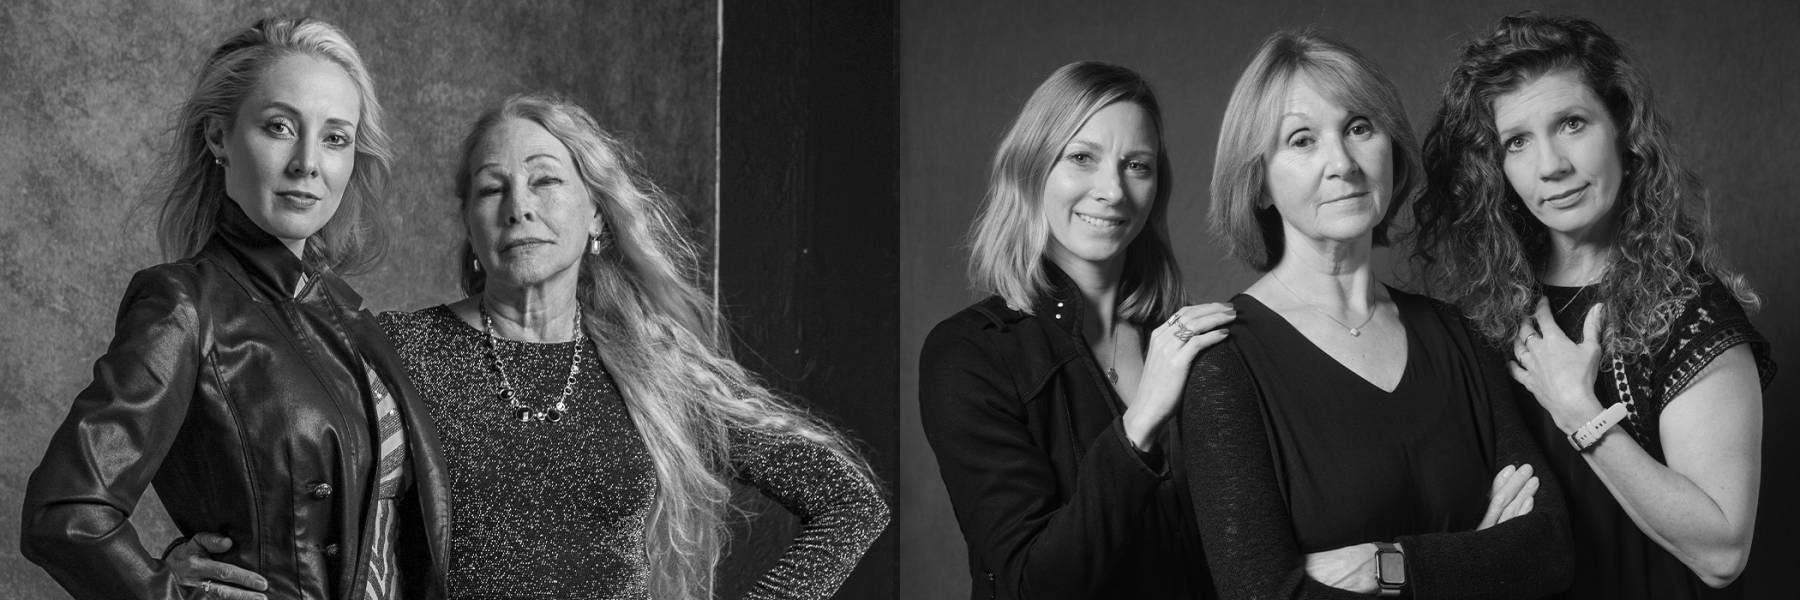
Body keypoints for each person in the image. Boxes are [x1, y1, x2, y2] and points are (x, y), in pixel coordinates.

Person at [371, 93, 887, 599]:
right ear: (469, 222)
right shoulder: (402, 348)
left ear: (596, 214)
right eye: (491, 190)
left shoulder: (649, 362)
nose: (518, 208)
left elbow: (850, 503)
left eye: (545, 180)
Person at [19, 17, 449, 600]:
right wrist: (168, 593)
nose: (308, 163)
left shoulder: (354, 321)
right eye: (279, 127)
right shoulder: (183, 305)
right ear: (219, 138)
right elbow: (65, 511)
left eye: (335, 137)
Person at [1180, 30, 1574, 598]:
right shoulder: (1225, 365)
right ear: (1258, 183)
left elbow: (1549, 550)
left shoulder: (1458, 334)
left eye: (1359, 128)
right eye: (1301, 140)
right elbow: (1262, 594)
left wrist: (1388, 566)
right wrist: (1477, 560)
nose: (1341, 162)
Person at [1413, 12, 1774, 599]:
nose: (1551, 165)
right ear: (1496, 169)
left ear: (1623, 132)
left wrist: (1579, 410)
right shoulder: (1488, 311)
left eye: (1573, 124)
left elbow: (1722, 551)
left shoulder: (1689, 315)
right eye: (1517, 142)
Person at [919, 61, 1234, 600]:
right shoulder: (969, 354)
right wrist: (1140, 425)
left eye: (1137, 165)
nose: (1112, 190)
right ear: (1032, 169)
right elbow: (1032, 583)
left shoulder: (1191, 341)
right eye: (1082, 158)